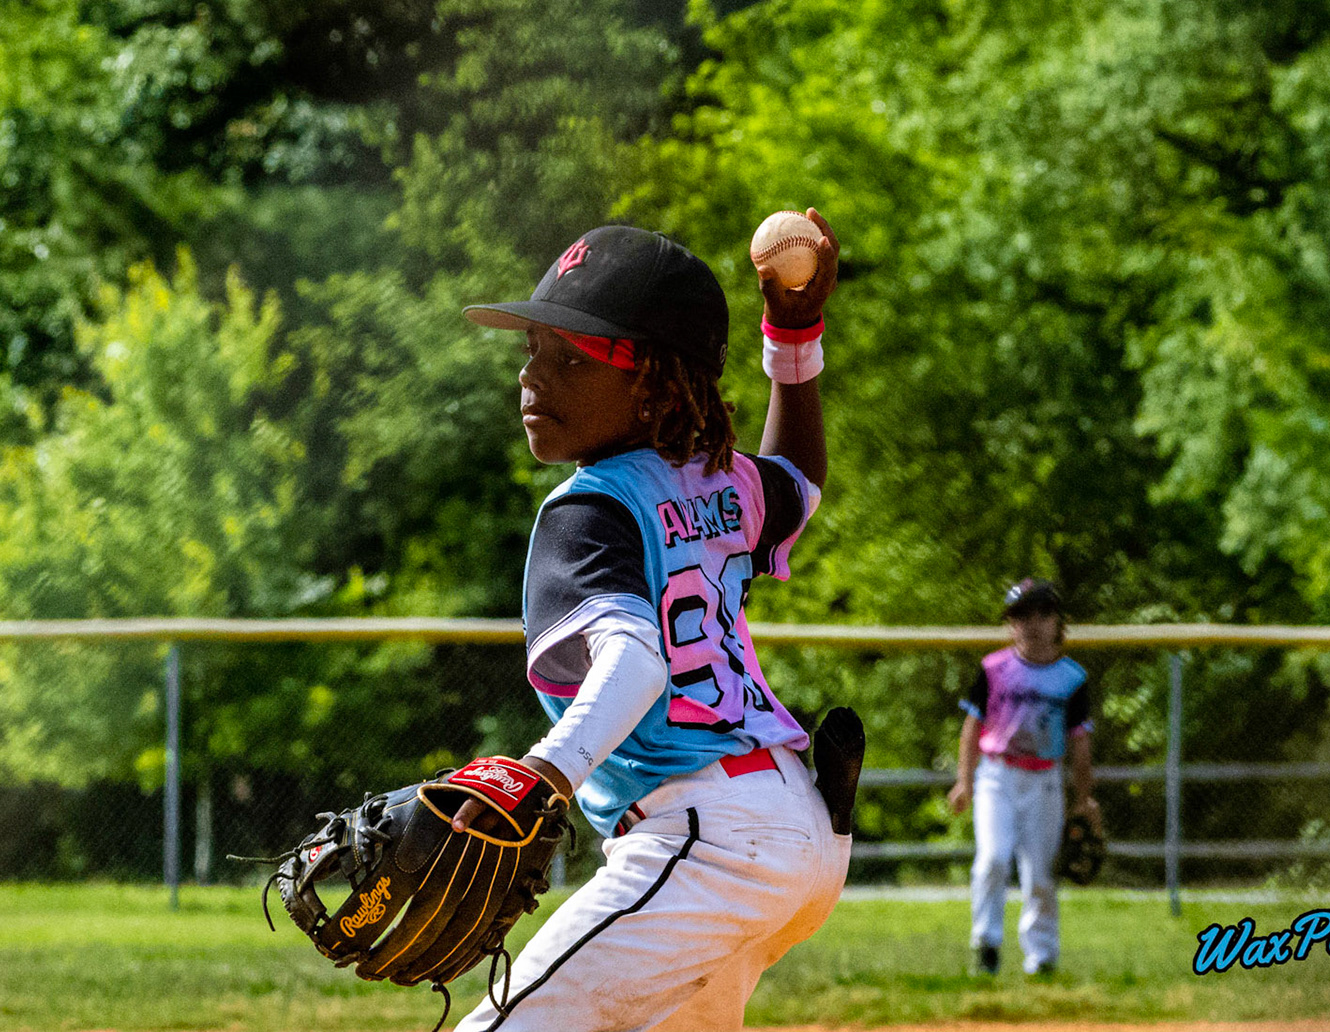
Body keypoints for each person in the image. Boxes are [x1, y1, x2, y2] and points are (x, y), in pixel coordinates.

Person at [449, 216, 849, 1031]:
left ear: (659, 386)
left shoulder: (590, 510)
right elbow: (798, 481)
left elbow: (635, 663)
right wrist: (795, 338)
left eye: (571, 358)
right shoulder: (719, 482)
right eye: (532, 348)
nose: (533, 378)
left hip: (704, 839)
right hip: (796, 832)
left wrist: (540, 777)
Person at [947, 578, 1099, 977]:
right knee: (992, 860)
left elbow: (1080, 743)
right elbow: (971, 728)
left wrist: (1085, 798)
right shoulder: (994, 668)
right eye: (1020, 615)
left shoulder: (1071, 677)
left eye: (1042, 613)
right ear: (1011, 623)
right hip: (996, 777)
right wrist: (965, 780)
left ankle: (1042, 955)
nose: (1032, 623)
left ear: (1056, 621)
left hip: (1045, 780)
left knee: (1041, 873)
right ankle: (986, 945)